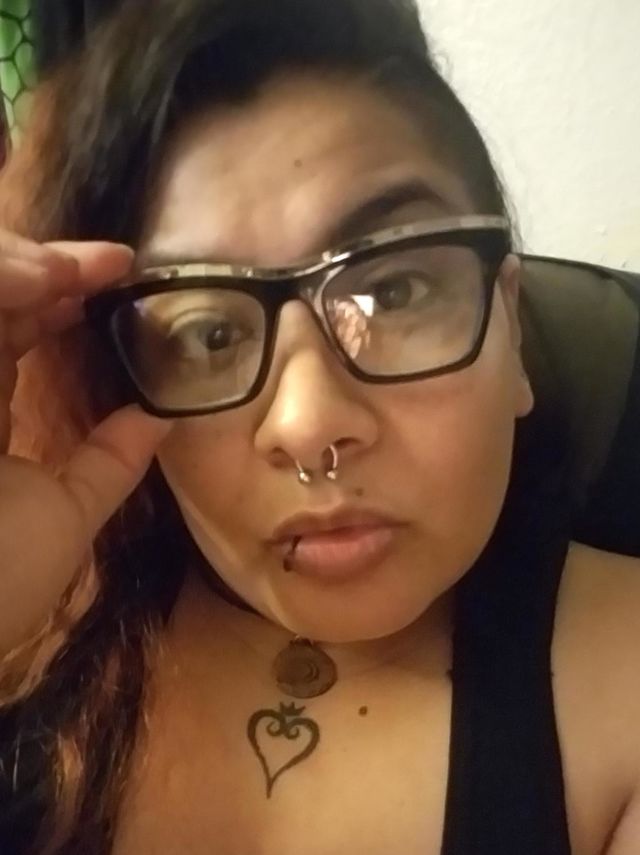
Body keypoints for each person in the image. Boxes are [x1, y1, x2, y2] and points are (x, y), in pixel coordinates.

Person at [0, 1, 639, 852]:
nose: (308, 426)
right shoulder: (36, 627)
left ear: (509, 324)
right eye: (209, 334)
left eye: (394, 292)